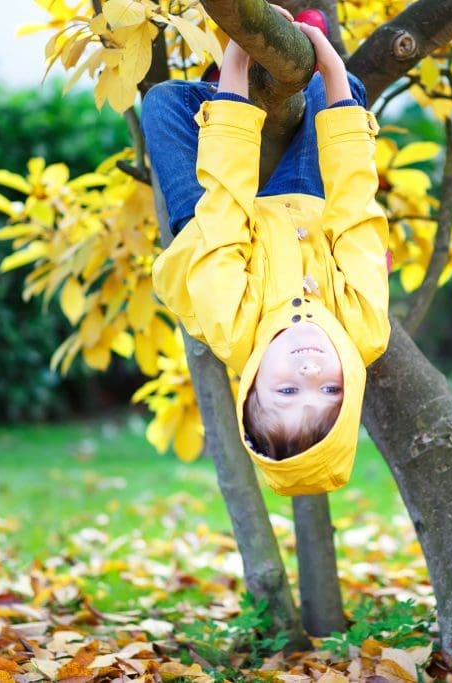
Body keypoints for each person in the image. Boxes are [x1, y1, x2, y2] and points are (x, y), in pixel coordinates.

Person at [143, 11, 391, 497]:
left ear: (253, 385)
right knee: (344, 92)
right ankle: (270, 95)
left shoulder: (231, 325)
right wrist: (333, 71)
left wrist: (238, 60)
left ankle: (235, 94)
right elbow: (355, 212)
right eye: (330, 392)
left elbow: (225, 211)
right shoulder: (364, 328)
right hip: (303, 206)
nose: (309, 373)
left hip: (217, 223)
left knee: (163, 102)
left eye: (287, 392)